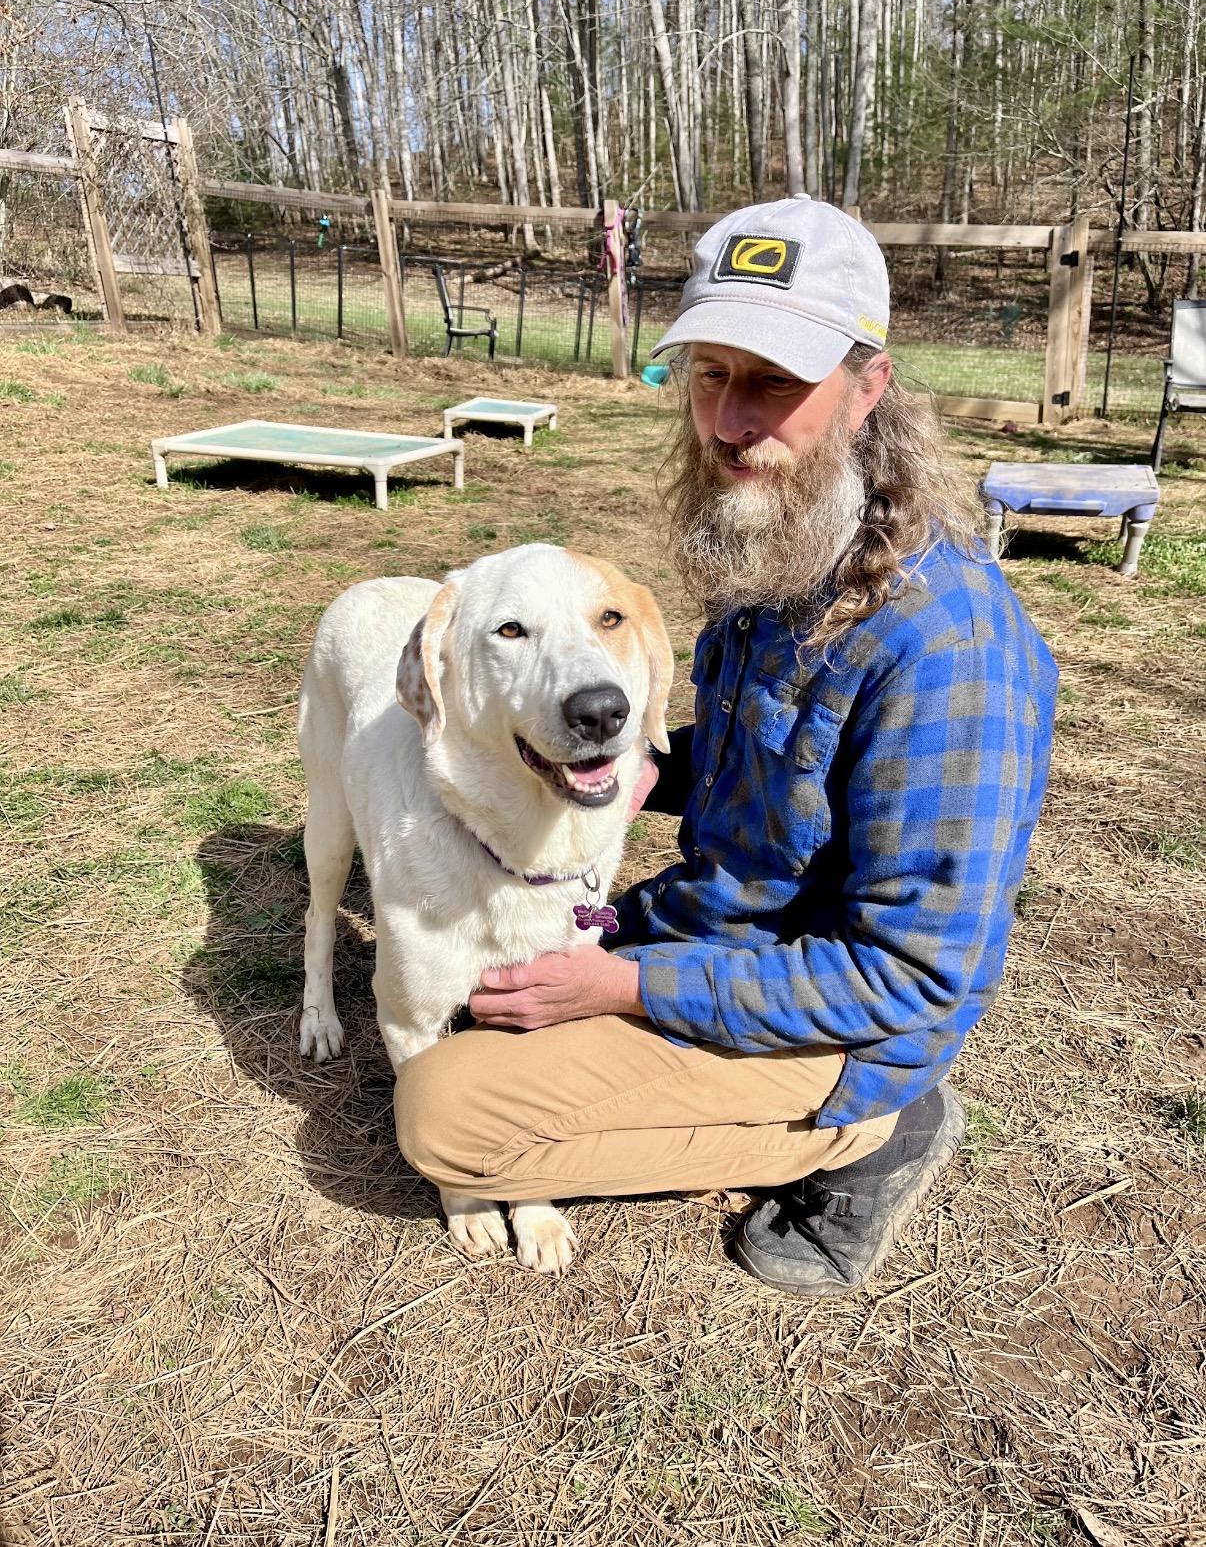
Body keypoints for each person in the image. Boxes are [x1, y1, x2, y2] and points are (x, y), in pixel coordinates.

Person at [395, 195, 1058, 1296]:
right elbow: (770, 759)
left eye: (774, 383)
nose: (731, 421)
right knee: (472, 996)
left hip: (843, 1022)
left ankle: (873, 1136)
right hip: (724, 937)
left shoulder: (953, 651)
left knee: (444, 1111)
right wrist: (626, 764)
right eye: (711, 374)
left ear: (868, 386)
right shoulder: (787, 557)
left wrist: (624, 993)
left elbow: (909, 976)